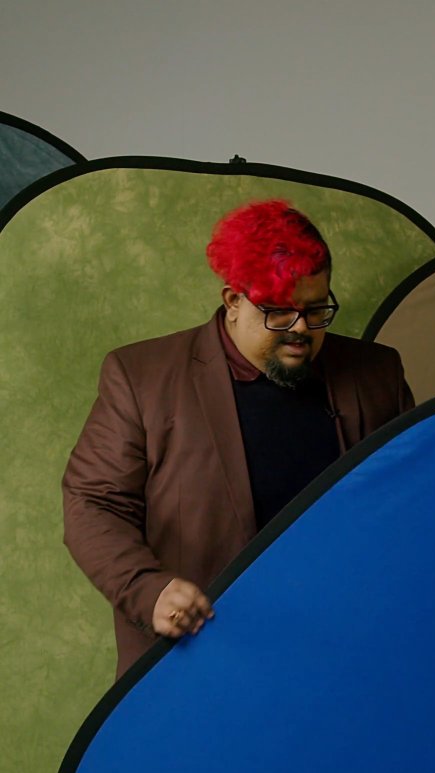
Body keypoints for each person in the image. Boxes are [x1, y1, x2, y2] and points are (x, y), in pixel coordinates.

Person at [63, 199, 414, 677]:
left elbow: (413, 501)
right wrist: (147, 589)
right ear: (233, 301)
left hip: (344, 653)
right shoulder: (140, 376)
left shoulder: (379, 373)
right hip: (199, 660)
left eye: (316, 310)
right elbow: (92, 502)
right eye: (279, 312)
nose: (300, 329)